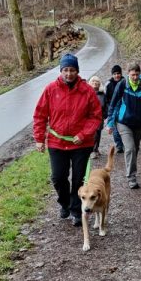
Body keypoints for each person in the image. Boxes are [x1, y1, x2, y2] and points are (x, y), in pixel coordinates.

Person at [33, 53, 102, 227]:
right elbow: (40, 115)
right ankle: (64, 203)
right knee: (58, 177)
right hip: (57, 142)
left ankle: (76, 210)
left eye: (72, 70)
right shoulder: (51, 89)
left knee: (78, 179)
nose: (69, 74)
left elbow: (96, 116)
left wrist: (83, 134)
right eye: (65, 70)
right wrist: (39, 138)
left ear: (77, 71)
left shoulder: (87, 91)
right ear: (61, 71)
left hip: (81, 144)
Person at [107, 63, 141, 189]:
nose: (135, 77)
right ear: (128, 73)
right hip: (123, 123)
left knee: (135, 148)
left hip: (139, 124)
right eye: (132, 75)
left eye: (137, 75)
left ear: (140, 74)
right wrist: (110, 123)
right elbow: (114, 104)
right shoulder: (122, 85)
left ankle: (131, 167)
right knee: (130, 148)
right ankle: (131, 177)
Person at [104, 64, 125, 153]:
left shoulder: (125, 82)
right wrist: (108, 109)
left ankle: (125, 143)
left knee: (124, 127)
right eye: (115, 74)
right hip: (113, 109)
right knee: (115, 128)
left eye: (118, 73)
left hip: (123, 108)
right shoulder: (108, 84)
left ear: (121, 74)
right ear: (112, 75)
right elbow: (105, 98)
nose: (117, 75)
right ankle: (119, 145)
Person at [88, 75, 106, 157]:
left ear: (99, 84)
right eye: (93, 81)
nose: (95, 83)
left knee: (98, 134)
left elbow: (106, 105)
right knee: (93, 134)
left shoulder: (102, 95)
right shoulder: (87, 93)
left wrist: (105, 115)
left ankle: (96, 148)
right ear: (90, 83)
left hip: (100, 118)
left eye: (97, 81)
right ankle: (92, 151)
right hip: (90, 118)